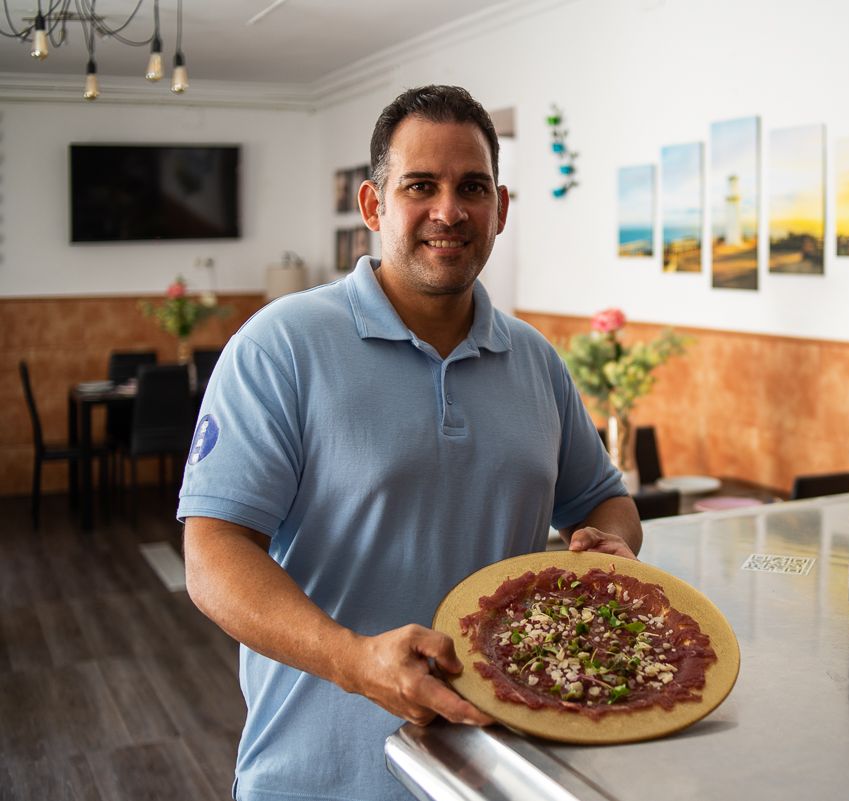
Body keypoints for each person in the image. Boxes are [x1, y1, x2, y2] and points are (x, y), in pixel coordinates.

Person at [178, 84, 642, 801]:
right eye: (420, 185)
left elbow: (603, 499)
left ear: (502, 209)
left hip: (502, 770)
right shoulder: (281, 345)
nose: (449, 211)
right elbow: (211, 553)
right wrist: (355, 659)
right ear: (373, 205)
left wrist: (610, 544)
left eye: (472, 187)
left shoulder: (535, 360)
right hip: (317, 778)